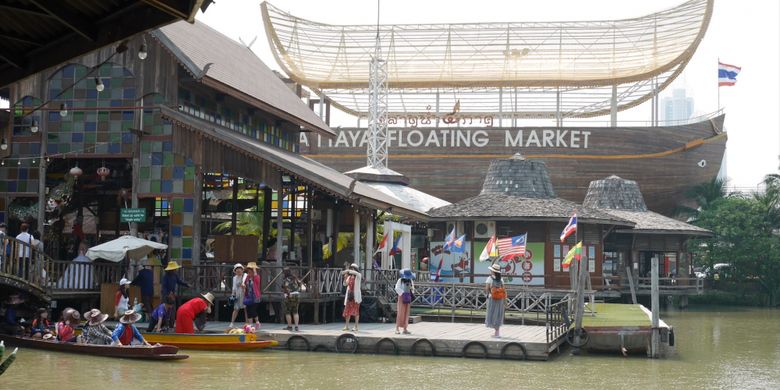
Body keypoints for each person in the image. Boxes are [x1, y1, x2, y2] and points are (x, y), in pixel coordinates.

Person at [485, 263, 506, 338]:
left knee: (491, 313)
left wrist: (487, 295)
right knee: (498, 314)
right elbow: (504, 290)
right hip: (500, 299)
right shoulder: (501, 279)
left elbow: (487, 288)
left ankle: (495, 331)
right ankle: (497, 332)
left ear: (493, 271)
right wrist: (505, 299)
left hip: (492, 298)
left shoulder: (489, 278)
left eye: (491, 270)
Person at [342, 263, 362, 332]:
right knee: (347, 311)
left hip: (355, 296)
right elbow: (345, 284)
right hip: (350, 295)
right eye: (351, 268)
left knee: (356, 311)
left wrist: (347, 270)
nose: (352, 270)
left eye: (353, 268)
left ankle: (356, 326)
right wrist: (345, 278)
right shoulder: (349, 277)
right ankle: (346, 326)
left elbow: (355, 273)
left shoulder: (358, 275)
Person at [394, 268, 415, 335]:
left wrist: (411, 292)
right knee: (400, 312)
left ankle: (405, 328)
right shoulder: (400, 280)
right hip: (401, 297)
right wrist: (403, 293)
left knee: (406, 313)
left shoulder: (410, 280)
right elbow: (397, 288)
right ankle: (397, 328)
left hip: (408, 297)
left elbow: (413, 288)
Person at [243, 262, 262, 329]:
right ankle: (250, 324)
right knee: (248, 311)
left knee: (253, 310)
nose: (249, 273)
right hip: (248, 296)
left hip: (255, 297)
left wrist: (254, 270)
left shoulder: (256, 277)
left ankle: (257, 322)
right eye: (248, 271)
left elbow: (256, 279)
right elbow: (245, 284)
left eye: (250, 271)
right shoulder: (247, 277)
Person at [229, 263, 246, 328]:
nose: (238, 271)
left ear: (242, 270)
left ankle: (247, 322)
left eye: (240, 270)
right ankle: (232, 322)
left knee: (245, 308)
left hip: (244, 294)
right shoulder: (234, 278)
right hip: (237, 294)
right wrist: (232, 295)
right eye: (237, 270)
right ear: (235, 271)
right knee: (236, 309)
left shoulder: (245, 276)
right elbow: (234, 287)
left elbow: (245, 284)